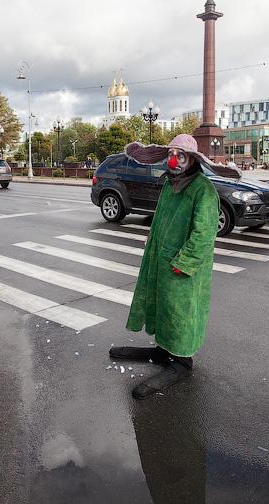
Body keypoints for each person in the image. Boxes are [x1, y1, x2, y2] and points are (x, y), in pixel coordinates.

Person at [110, 134, 219, 399]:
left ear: (192, 159)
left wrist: (185, 262)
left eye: (180, 156)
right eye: (172, 154)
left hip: (183, 267)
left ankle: (182, 361)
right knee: (162, 307)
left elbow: (204, 233)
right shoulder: (172, 183)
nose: (174, 160)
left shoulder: (203, 190)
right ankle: (163, 349)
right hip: (161, 259)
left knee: (179, 311)